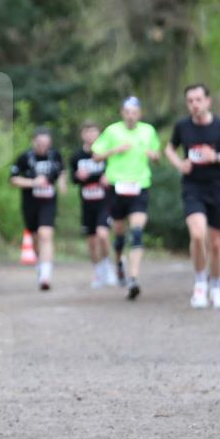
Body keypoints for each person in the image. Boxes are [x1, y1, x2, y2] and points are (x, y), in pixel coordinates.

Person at [165, 84, 220, 309]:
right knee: (198, 235)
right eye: (190, 101)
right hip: (192, 188)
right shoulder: (183, 126)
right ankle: (200, 283)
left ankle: (216, 287)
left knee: (217, 244)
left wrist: (216, 156)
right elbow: (169, 149)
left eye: (198, 99)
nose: (194, 104)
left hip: (217, 188)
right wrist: (180, 164)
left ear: (208, 101)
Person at [90, 97, 161, 300]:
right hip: (117, 188)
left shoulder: (148, 131)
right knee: (119, 234)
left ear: (140, 113)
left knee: (137, 232)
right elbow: (95, 155)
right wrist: (114, 150)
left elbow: (157, 155)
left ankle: (133, 278)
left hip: (140, 186)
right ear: (122, 113)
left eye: (134, 112)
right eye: (127, 111)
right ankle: (119, 261)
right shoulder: (112, 131)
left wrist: (154, 156)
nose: (131, 115)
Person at [9, 128, 66, 290]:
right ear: (34, 141)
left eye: (46, 144)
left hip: (48, 202)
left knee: (45, 234)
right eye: (40, 144)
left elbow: (61, 171)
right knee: (35, 238)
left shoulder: (55, 155)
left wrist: (62, 183)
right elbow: (13, 179)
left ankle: (46, 275)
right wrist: (33, 183)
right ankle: (41, 263)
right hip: (30, 203)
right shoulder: (24, 157)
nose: (43, 147)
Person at [68, 121, 116, 288]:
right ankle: (98, 272)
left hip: (105, 202)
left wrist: (108, 176)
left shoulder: (106, 154)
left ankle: (108, 267)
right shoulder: (76, 157)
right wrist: (77, 176)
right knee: (92, 242)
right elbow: (72, 179)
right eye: (87, 132)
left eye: (94, 132)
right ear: (82, 135)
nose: (90, 136)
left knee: (103, 235)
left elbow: (116, 171)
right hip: (87, 203)